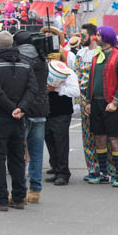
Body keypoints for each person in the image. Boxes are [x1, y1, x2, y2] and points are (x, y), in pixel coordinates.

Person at [0, 31, 37, 211]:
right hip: (18, 116)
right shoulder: (26, 63)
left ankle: (0, 199)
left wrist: (10, 108)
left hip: (0, 115)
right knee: (17, 157)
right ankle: (19, 197)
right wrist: (20, 108)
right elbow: (32, 89)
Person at [83, 25, 118, 187]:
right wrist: (88, 101)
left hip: (111, 104)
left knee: (113, 139)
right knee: (99, 139)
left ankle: (117, 175)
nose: (96, 37)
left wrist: (116, 101)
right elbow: (91, 79)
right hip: (96, 103)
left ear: (107, 38)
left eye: (99, 35)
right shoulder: (97, 56)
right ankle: (102, 173)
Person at [74, 22, 113, 181]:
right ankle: (92, 169)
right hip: (84, 99)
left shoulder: (101, 53)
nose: (81, 38)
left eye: (83, 35)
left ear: (92, 36)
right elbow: (76, 76)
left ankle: (107, 169)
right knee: (87, 137)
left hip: (99, 99)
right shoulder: (80, 54)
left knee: (103, 136)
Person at [14, 30, 49, 202]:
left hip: (26, 109)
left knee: (19, 152)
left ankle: (18, 190)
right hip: (41, 109)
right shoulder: (42, 58)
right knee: (36, 152)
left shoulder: (22, 59)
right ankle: (35, 190)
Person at [44, 51, 79, 187]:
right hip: (47, 111)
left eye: (54, 57)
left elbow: (75, 91)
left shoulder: (69, 72)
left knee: (61, 142)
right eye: (49, 57)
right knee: (50, 140)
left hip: (62, 112)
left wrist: (57, 89)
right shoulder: (45, 70)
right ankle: (56, 167)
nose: (51, 60)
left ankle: (63, 173)